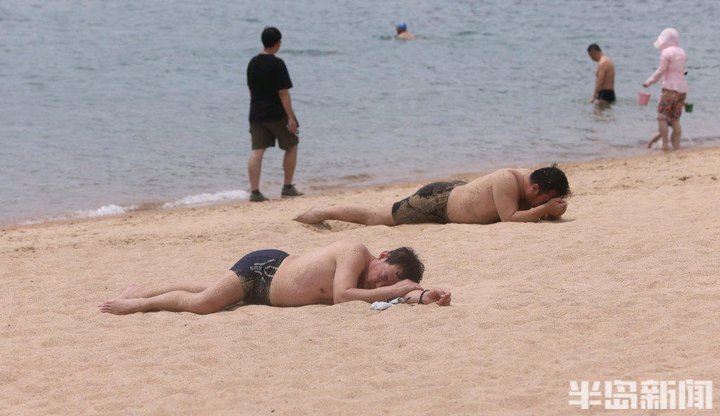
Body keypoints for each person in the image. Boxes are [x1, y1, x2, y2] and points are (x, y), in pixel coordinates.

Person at [98, 240, 451, 315]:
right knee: (204, 303)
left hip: (268, 292)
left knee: (205, 287)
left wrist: (423, 296)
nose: (378, 284)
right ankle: (137, 304)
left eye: (384, 283)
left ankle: (141, 290)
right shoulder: (356, 253)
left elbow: (396, 295)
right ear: (383, 255)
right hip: (263, 270)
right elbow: (342, 296)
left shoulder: (372, 288)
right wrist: (394, 288)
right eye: (384, 275)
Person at [294, 166, 570, 226]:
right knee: (375, 217)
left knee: (379, 213)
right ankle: (322, 212)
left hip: (457, 195)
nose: (544, 203)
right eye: (545, 197)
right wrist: (545, 210)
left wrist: (548, 209)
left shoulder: (529, 183)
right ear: (535, 188)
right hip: (438, 201)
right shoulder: (508, 180)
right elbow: (510, 218)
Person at [246, 26, 303, 202]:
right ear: (278, 43)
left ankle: (255, 192)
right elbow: (283, 93)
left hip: (256, 113)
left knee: (257, 151)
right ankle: (287, 187)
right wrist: (291, 117)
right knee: (292, 144)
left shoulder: (252, 63)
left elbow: (251, 90)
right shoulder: (278, 64)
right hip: (276, 114)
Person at [642, 28, 688, 151]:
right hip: (682, 90)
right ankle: (676, 147)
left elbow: (661, 70)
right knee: (675, 119)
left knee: (662, 117)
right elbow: (684, 71)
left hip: (669, 90)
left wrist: (649, 82)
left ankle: (665, 145)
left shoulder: (666, 53)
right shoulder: (682, 52)